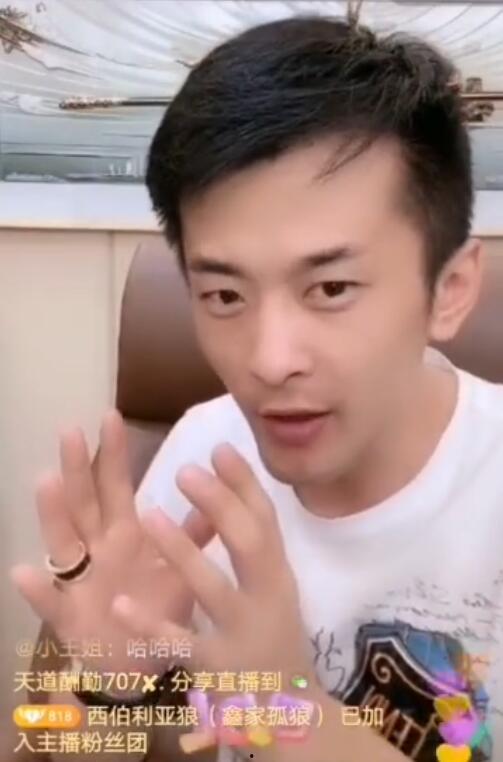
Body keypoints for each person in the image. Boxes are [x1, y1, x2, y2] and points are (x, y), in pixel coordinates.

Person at [10, 13, 502, 762]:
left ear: (450, 289)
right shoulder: (205, 456)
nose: (269, 362)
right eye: (225, 296)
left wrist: (286, 711)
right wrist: (111, 687)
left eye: (331, 288)